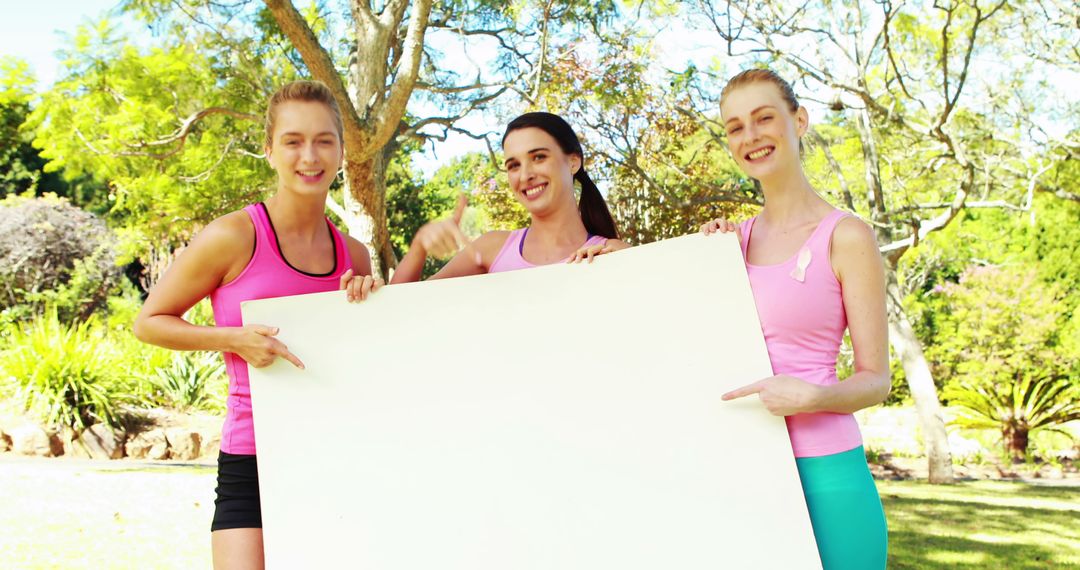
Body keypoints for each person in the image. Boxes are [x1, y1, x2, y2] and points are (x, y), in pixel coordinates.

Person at [133, 80, 380, 570]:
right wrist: (232, 340)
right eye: (292, 141)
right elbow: (149, 322)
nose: (309, 155)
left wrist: (368, 299)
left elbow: (368, 357)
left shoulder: (354, 254)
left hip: (338, 453)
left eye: (323, 140)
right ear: (269, 150)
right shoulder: (232, 236)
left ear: (340, 150)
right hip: (251, 457)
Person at [700, 69, 890, 569]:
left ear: (799, 121)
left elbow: (876, 381)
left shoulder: (846, 236)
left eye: (765, 118)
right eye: (736, 127)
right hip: (743, 468)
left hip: (827, 473)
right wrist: (601, 253)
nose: (751, 136)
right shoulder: (725, 244)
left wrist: (815, 396)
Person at [374, 112, 628, 288]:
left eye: (539, 157)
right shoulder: (490, 249)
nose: (526, 175)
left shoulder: (611, 254)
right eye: (514, 165)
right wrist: (420, 245)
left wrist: (627, 262)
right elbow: (400, 307)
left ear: (573, 161)